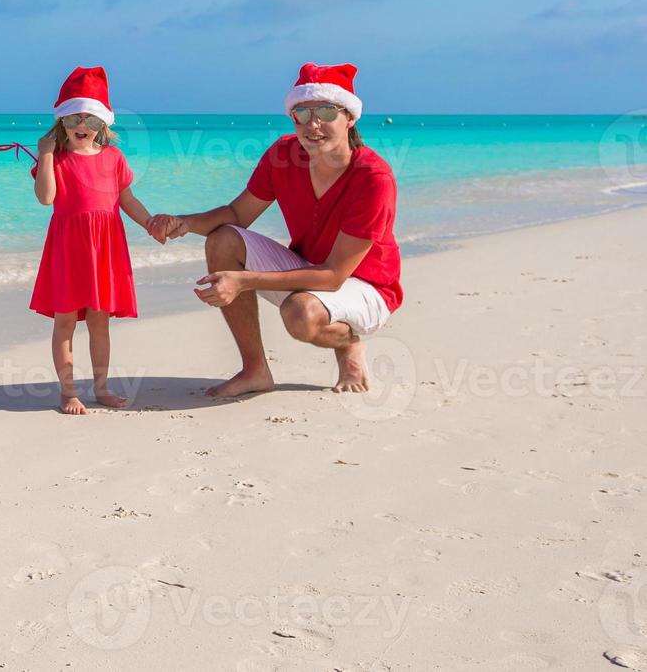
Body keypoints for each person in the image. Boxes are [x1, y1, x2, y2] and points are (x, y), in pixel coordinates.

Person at [148, 63, 402, 398]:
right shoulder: (284, 154)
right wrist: (185, 222)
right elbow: (237, 213)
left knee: (300, 314)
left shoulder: (373, 178)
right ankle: (255, 371)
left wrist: (243, 281)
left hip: (366, 286)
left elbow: (334, 275)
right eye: (301, 112)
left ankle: (348, 342)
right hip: (308, 270)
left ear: (350, 117)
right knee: (223, 239)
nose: (313, 124)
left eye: (326, 111)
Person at [30, 66, 162, 415]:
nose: (81, 125)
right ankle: (68, 392)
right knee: (66, 321)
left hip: (105, 248)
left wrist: (148, 222)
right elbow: (46, 198)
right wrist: (45, 155)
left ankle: (101, 387)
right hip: (68, 250)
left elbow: (127, 199)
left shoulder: (114, 158)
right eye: (73, 118)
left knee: (101, 321)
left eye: (89, 118)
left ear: (103, 123)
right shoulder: (56, 160)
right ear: (61, 122)